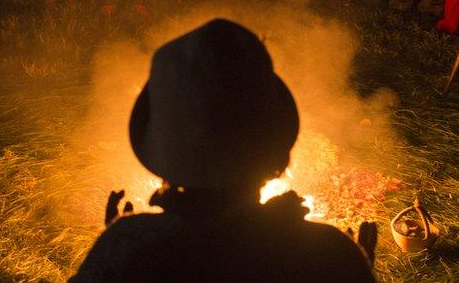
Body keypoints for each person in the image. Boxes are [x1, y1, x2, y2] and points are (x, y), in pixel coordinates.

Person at [71, 19, 375, 281]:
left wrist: (119, 241)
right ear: (276, 154)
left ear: (162, 153)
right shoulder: (328, 253)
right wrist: (358, 262)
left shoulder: (125, 249)